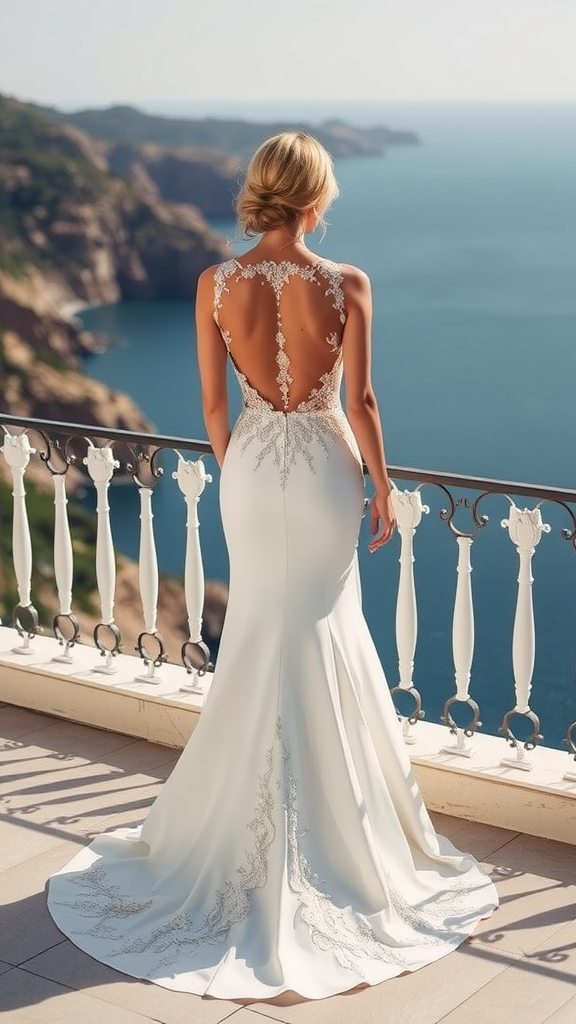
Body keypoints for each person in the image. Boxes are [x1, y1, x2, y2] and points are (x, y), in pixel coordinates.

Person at [48, 132, 497, 1001]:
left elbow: (215, 404)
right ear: (315, 197)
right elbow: (359, 401)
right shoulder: (349, 284)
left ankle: (236, 833)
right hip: (326, 469)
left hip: (251, 471)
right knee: (325, 628)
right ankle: (341, 835)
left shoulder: (215, 284)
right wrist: (382, 488)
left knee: (257, 630)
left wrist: (244, 469)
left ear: (261, 192)